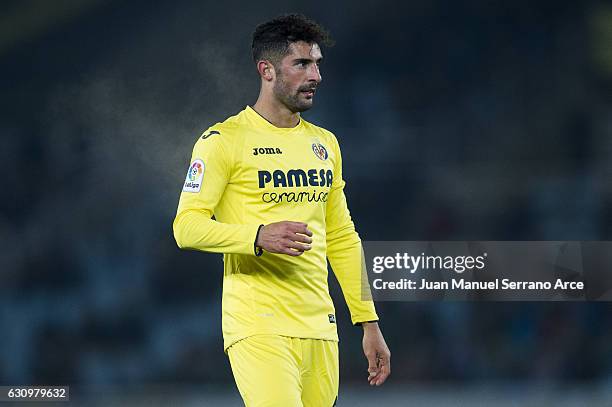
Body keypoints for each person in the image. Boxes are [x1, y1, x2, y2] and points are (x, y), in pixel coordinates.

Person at [173, 13, 390, 406]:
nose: (316, 76)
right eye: (302, 64)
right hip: (258, 326)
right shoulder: (223, 141)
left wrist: (368, 322)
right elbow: (186, 227)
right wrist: (256, 236)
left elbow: (341, 237)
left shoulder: (325, 145)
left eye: (317, 64)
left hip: (320, 327)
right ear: (267, 70)